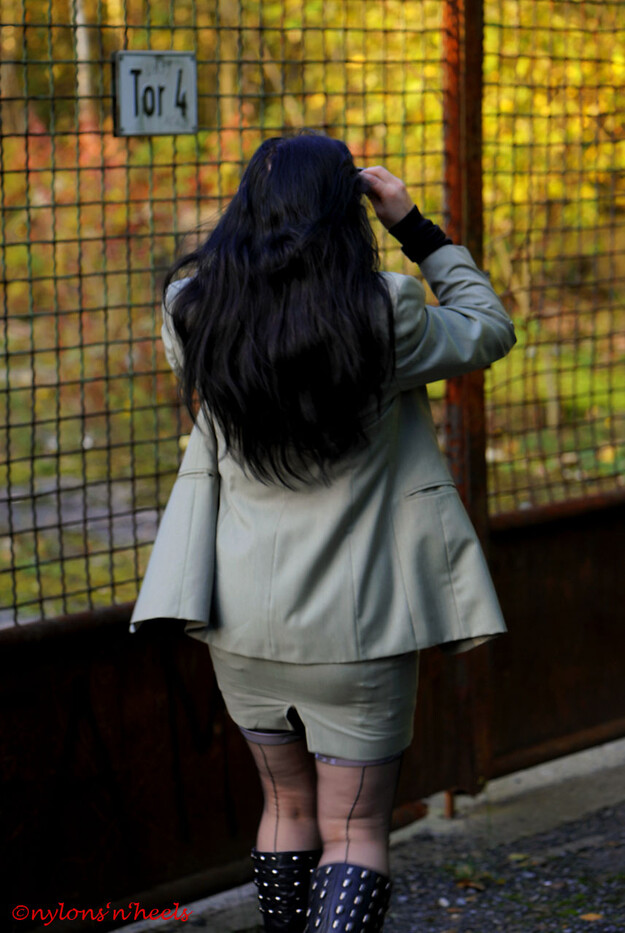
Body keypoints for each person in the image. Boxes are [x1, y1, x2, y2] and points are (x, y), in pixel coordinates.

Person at [129, 132, 516, 932]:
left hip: (238, 616)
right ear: (348, 211)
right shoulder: (384, 312)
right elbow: (487, 326)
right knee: (354, 828)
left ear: (247, 206)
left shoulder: (191, 309)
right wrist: (413, 227)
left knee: (284, 806)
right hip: (358, 624)